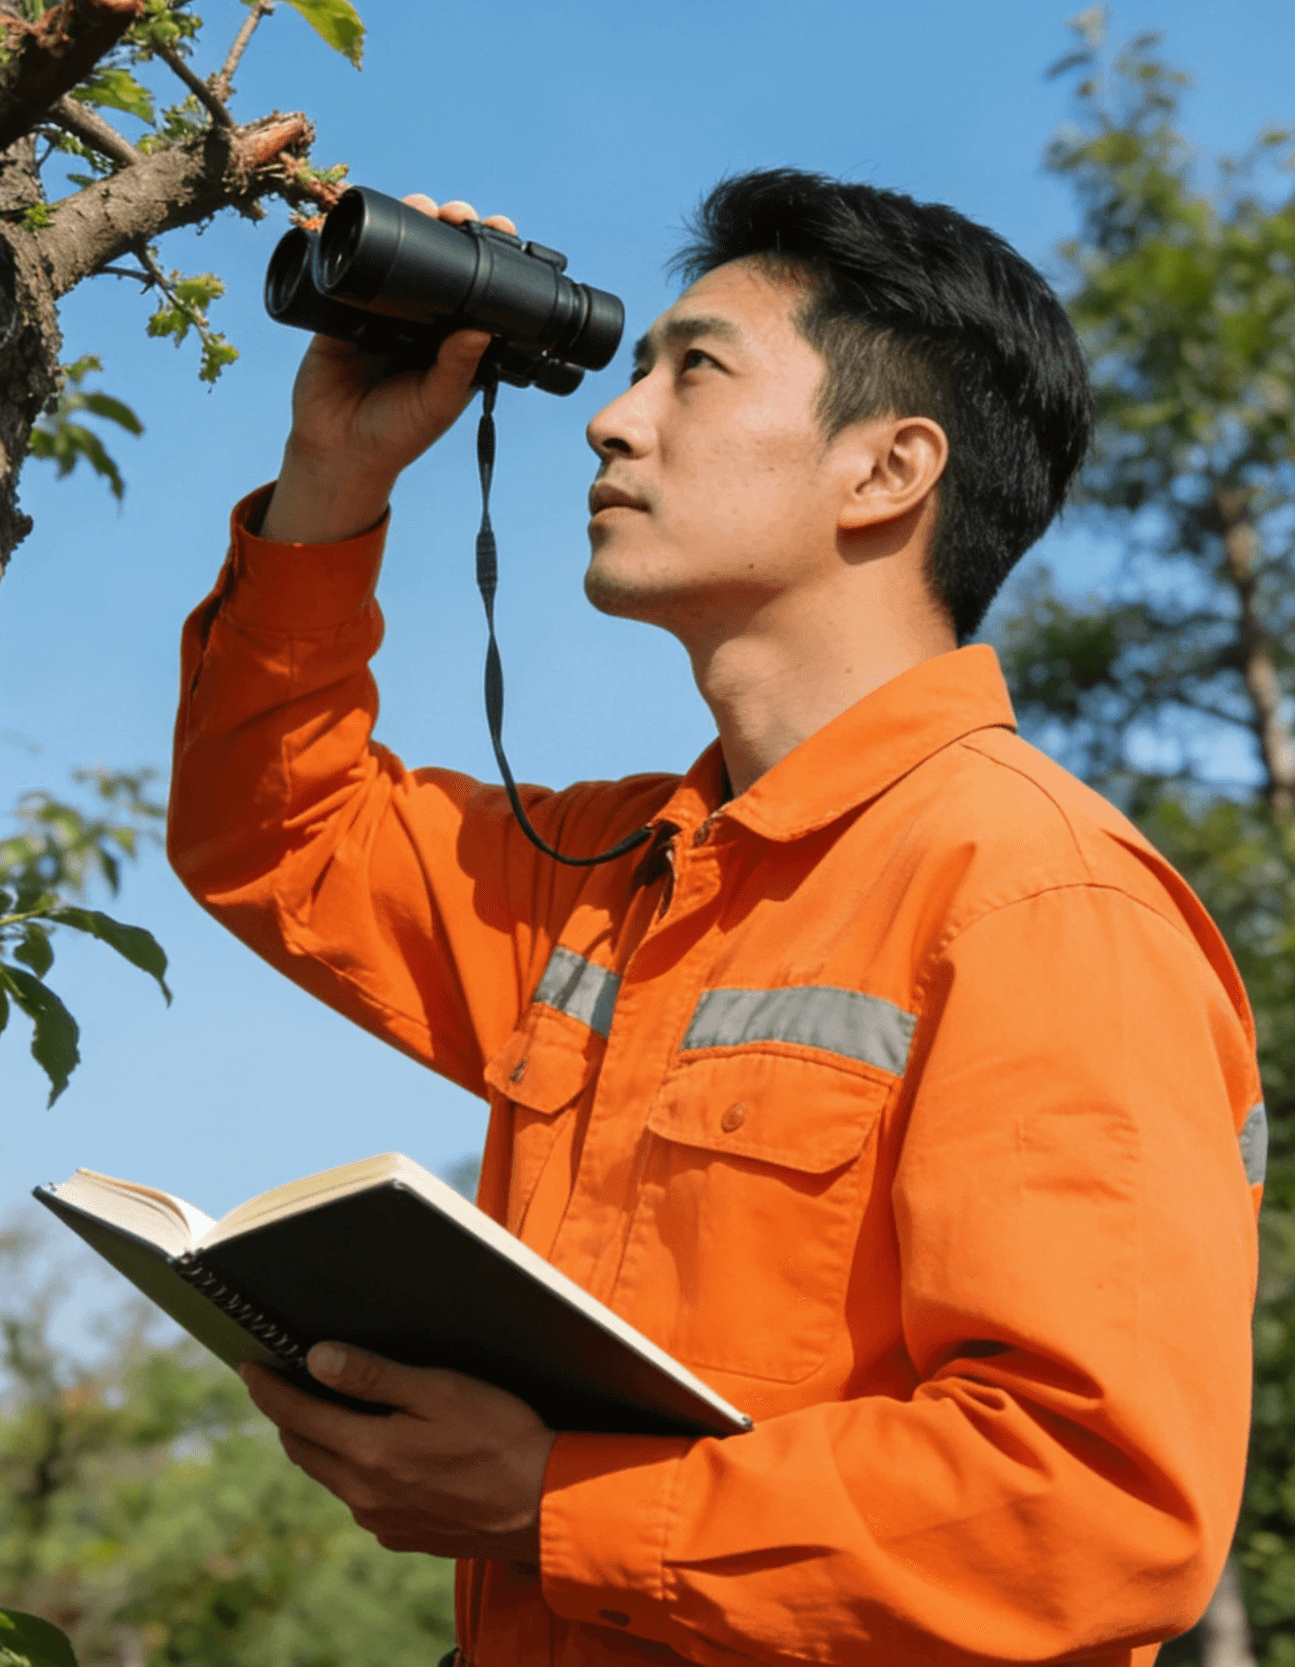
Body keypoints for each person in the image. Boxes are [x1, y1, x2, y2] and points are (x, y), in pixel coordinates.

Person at [166, 169, 1263, 1667]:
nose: (613, 422)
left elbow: (1091, 1506)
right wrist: (334, 473)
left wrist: (551, 1506)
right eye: (627, 372)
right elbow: (276, 835)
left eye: (695, 370)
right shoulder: (614, 866)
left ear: (885, 471)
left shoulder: (1037, 895)